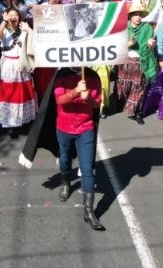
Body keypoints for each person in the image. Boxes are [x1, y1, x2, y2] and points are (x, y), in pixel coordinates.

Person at [53, 69, 105, 231]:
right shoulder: (61, 75)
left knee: (88, 168)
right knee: (65, 159)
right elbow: (59, 100)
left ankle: (88, 212)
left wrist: (88, 97)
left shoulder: (92, 77)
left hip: (85, 129)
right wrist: (76, 91)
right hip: (64, 128)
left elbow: (97, 104)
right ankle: (65, 183)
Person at [0, 8, 36, 135]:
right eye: (11, 15)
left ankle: (23, 119)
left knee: (23, 91)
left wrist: (29, 30)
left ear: (19, 17)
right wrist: (3, 21)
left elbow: (34, 41)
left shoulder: (24, 29)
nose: (13, 17)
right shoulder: (5, 30)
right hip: (8, 64)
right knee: (9, 92)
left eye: (15, 15)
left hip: (22, 62)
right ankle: (10, 122)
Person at [118, 3, 158, 124]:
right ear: (130, 16)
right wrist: (128, 44)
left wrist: (152, 45)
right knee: (124, 87)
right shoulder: (122, 28)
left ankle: (137, 112)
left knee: (139, 88)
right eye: (135, 15)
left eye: (140, 15)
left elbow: (151, 45)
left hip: (141, 62)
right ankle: (123, 102)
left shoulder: (147, 28)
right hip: (125, 62)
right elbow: (116, 46)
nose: (138, 17)